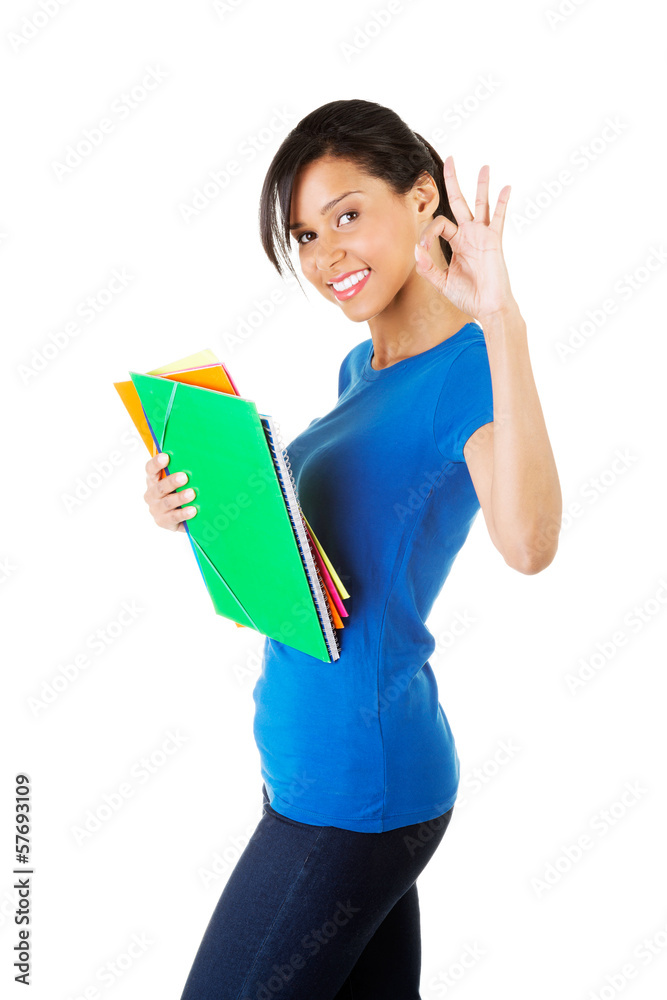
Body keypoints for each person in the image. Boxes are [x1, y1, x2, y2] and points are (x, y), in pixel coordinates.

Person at [143, 99, 562, 999]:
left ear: (422, 200)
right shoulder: (361, 369)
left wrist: (504, 323)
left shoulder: (470, 371)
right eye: (304, 235)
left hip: (353, 790)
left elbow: (528, 544)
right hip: (310, 769)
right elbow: (327, 561)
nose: (325, 253)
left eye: (346, 216)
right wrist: (199, 508)